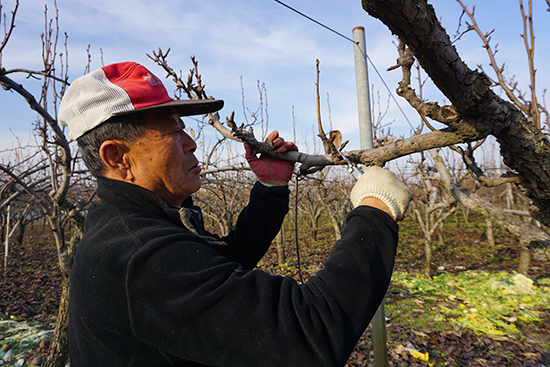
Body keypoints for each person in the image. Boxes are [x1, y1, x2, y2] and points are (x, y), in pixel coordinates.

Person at [59, 61, 412, 367]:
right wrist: (375, 211)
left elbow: (220, 266)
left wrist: (270, 191)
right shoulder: (139, 256)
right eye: (173, 130)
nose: (191, 142)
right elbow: (308, 334)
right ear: (117, 157)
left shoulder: (137, 223)